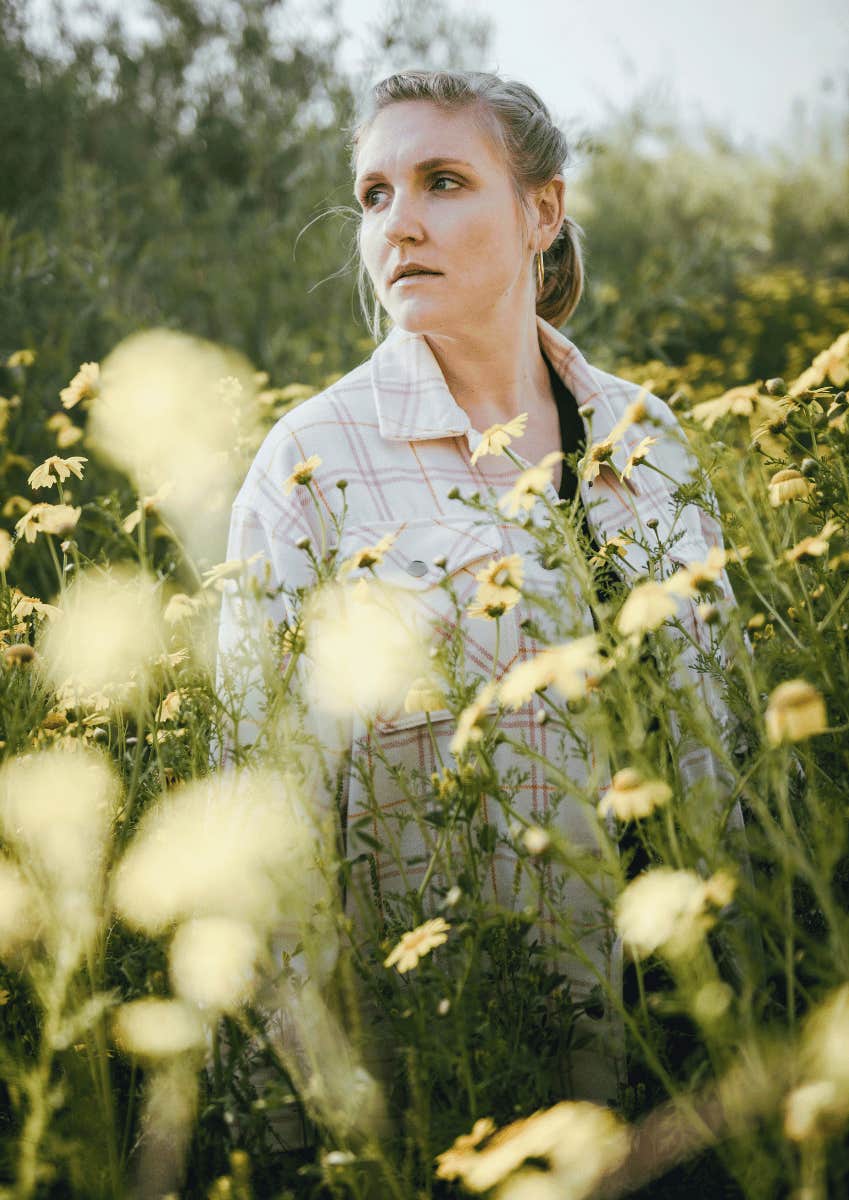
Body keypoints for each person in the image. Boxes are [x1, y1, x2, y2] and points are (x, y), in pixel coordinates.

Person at [217, 69, 741, 1117]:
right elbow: (262, 816)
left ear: (542, 210)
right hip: (459, 1075)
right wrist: (314, 1119)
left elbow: (729, 738)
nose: (398, 223)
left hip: (694, 1059)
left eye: (441, 181)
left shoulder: (648, 435)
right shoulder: (312, 463)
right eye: (373, 195)